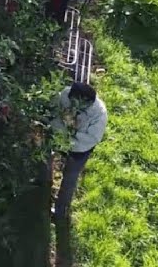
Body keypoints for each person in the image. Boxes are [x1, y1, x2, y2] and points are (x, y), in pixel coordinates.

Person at [50, 82, 107, 221]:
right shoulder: (65, 94)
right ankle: (42, 185)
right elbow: (53, 111)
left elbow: (92, 138)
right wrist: (58, 130)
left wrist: (71, 134)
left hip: (80, 148)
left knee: (70, 178)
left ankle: (60, 211)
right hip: (57, 137)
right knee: (45, 158)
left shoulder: (99, 113)